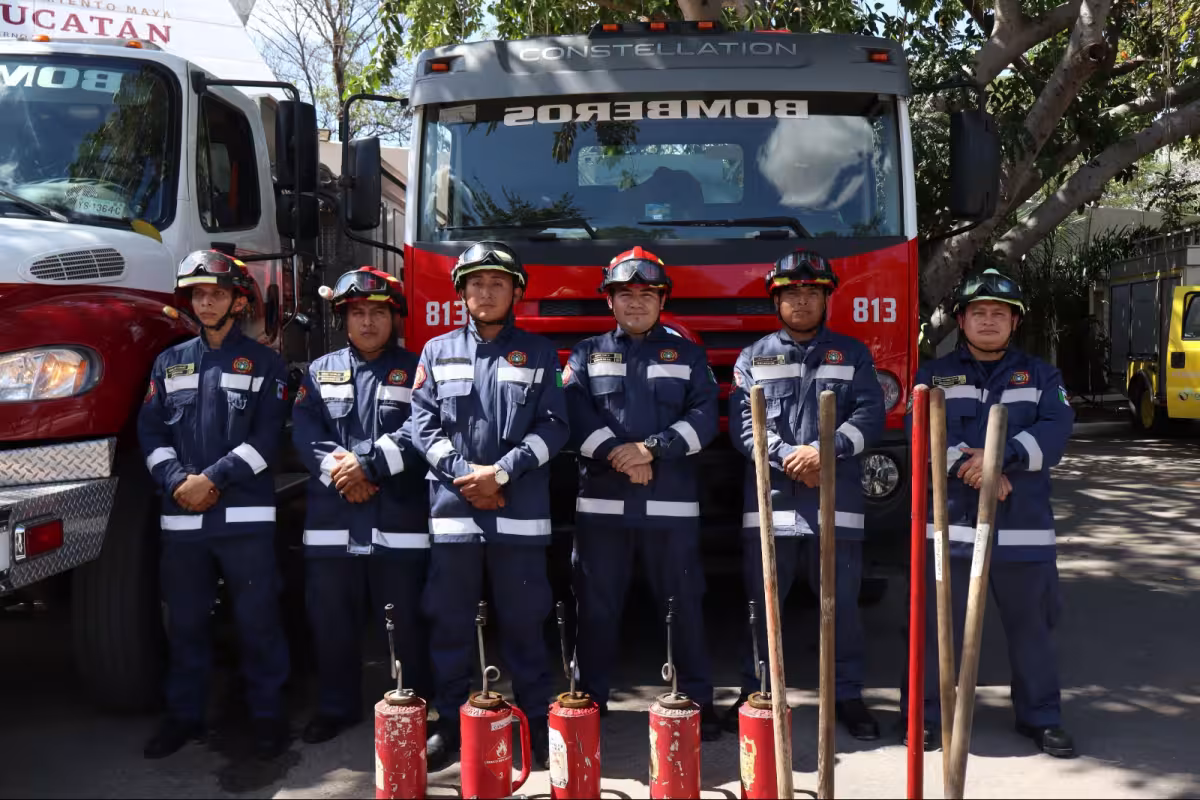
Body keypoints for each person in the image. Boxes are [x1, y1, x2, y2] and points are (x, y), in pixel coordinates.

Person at [410, 241, 569, 771]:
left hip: (518, 514)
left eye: (497, 283)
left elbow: (555, 427)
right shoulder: (435, 352)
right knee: (450, 624)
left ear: (516, 293)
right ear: (461, 293)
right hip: (454, 515)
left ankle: (536, 722)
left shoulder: (540, 354)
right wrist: (467, 476)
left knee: (525, 624)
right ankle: (451, 725)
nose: (486, 291)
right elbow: (422, 426)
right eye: (475, 283)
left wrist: (500, 474)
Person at [903, 268, 1075, 757]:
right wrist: (972, 467)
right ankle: (926, 716)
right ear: (961, 320)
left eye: (1000, 313)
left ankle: (1041, 717)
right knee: (936, 627)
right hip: (951, 527)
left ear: (1015, 322)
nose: (988, 320)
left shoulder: (1042, 376)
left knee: (1032, 629)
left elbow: (1056, 429)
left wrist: (1000, 458)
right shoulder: (933, 375)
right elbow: (920, 431)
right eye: (978, 312)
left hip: (1022, 530)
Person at [725, 248, 885, 740]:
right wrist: (789, 459)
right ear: (776, 301)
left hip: (834, 506)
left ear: (826, 299)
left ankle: (846, 695)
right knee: (761, 607)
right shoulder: (752, 358)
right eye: (791, 292)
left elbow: (870, 416)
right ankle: (756, 691)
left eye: (811, 292)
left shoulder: (853, 354)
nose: (801, 300)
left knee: (841, 608)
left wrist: (822, 453)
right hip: (771, 506)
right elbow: (743, 426)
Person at [138, 250, 290, 759]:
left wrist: (213, 480)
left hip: (245, 520)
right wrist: (177, 480)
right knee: (185, 623)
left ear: (238, 302)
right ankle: (184, 717)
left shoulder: (267, 364)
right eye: (199, 295)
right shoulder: (168, 362)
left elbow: (267, 439)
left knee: (258, 623)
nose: (206, 303)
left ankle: (267, 718)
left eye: (217, 294)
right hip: (184, 518)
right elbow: (151, 432)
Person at [564, 247, 721, 740]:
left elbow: (705, 417)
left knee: (684, 605)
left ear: (662, 300)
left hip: (670, 508)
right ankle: (590, 699)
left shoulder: (689, 356)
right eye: (625, 294)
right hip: (602, 508)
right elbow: (571, 415)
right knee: (595, 608)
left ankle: (697, 701)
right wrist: (619, 454)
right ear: (609, 300)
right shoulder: (585, 355)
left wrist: (650, 449)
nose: (636, 303)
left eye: (647, 294)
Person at [291, 267, 431, 744]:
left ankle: (414, 707)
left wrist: (368, 468)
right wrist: (343, 474)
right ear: (343, 320)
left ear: (395, 318)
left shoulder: (418, 369)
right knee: (332, 622)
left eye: (378, 313)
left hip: (398, 520)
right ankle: (335, 708)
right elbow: (306, 432)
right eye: (357, 313)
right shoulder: (319, 371)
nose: (368, 323)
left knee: (407, 622)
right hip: (334, 521)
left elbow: (421, 430)